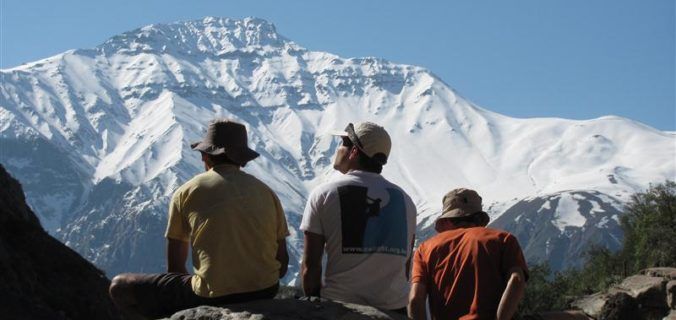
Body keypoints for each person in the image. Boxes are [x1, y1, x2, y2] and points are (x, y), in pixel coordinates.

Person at [109, 119, 290, 319]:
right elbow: (281, 264)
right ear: (243, 160)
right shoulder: (266, 192)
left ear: (206, 156)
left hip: (212, 295)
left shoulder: (186, 191)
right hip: (266, 289)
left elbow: (175, 269)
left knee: (119, 285)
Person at [300, 121, 417, 315]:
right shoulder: (405, 201)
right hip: (395, 307)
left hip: (340, 306)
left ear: (353, 151)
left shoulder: (324, 194)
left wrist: (314, 303)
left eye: (342, 144)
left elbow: (311, 266)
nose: (338, 149)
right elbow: (405, 265)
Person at [408, 188, 528, 320]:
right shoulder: (503, 239)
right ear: (479, 218)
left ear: (447, 220)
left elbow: (415, 300)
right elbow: (517, 279)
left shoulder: (425, 248)